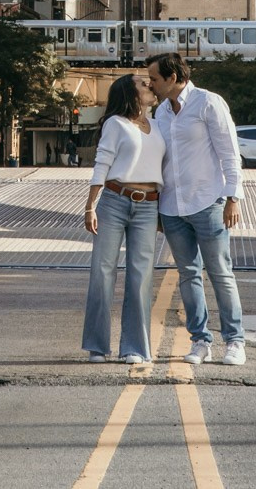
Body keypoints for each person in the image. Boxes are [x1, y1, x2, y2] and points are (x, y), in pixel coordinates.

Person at [147, 56, 246, 366]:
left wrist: (233, 197)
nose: (150, 84)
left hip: (209, 202)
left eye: (154, 78)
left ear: (173, 76)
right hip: (173, 207)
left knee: (220, 273)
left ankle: (235, 341)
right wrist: (159, 208)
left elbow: (230, 153)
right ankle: (200, 341)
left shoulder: (208, 103)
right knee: (188, 275)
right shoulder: (161, 111)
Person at [81, 74, 164, 364]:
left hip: (148, 206)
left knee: (141, 277)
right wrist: (90, 205)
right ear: (130, 92)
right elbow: (101, 163)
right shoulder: (115, 124)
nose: (150, 85)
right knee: (102, 272)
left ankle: (134, 347)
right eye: (143, 83)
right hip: (114, 202)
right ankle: (96, 345)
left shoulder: (158, 124)